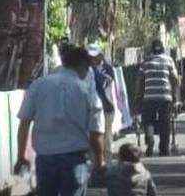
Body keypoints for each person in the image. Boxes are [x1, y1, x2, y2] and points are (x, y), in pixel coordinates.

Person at [15, 44, 104, 196]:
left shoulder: (39, 85)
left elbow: (24, 123)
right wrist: (99, 162)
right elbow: (95, 133)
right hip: (74, 161)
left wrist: (21, 156)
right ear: (82, 65)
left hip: (45, 160)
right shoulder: (87, 91)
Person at [137, 39, 179, 157]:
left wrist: (138, 96)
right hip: (165, 96)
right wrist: (174, 94)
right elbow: (175, 78)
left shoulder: (145, 61)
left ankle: (150, 139)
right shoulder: (168, 60)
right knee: (164, 122)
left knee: (148, 120)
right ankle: (164, 148)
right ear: (162, 48)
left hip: (149, 96)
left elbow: (140, 80)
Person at [92, 143, 158, 196]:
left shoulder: (112, 174)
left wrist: (97, 168)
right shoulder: (145, 174)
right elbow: (152, 192)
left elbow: (95, 181)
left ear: (120, 157)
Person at [89, 44, 117, 159]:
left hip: (106, 107)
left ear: (101, 56)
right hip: (92, 108)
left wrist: (94, 69)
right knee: (93, 135)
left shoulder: (108, 69)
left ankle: (108, 160)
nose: (92, 59)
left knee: (107, 136)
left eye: (95, 57)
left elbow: (105, 82)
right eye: (90, 57)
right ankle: (95, 161)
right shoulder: (86, 69)